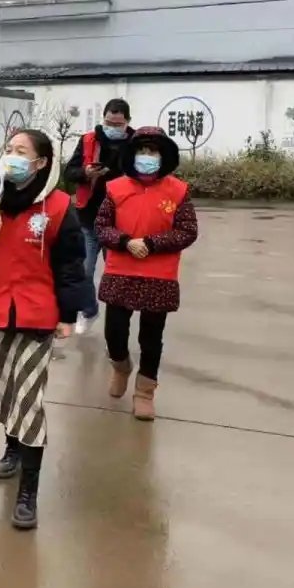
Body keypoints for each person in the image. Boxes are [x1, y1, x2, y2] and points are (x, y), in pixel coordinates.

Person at [0, 129, 87, 531]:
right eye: (8, 149)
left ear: (41, 163)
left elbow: (70, 265)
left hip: (36, 316)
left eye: (21, 151)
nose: (11, 156)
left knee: (29, 402)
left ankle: (27, 493)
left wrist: (68, 314)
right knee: (3, 392)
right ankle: (11, 447)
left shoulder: (59, 207)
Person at [94, 126, 199, 421]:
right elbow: (101, 226)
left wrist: (151, 244)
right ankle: (121, 366)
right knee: (114, 332)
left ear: (163, 156)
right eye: (141, 150)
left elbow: (188, 231)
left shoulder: (178, 191)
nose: (146, 156)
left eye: (152, 151)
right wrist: (126, 242)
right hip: (121, 269)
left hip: (159, 273)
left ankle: (144, 392)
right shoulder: (115, 188)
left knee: (151, 338)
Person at [64, 99, 134, 331]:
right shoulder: (88, 140)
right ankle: (89, 310)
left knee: (117, 276)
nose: (113, 127)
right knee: (84, 271)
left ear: (128, 122)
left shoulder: (136, 143)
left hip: (119, 221)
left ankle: (116, 330)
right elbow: (69, 172)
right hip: (89, 218)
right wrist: (86, 173)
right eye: (109, 122)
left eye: (118, 124)